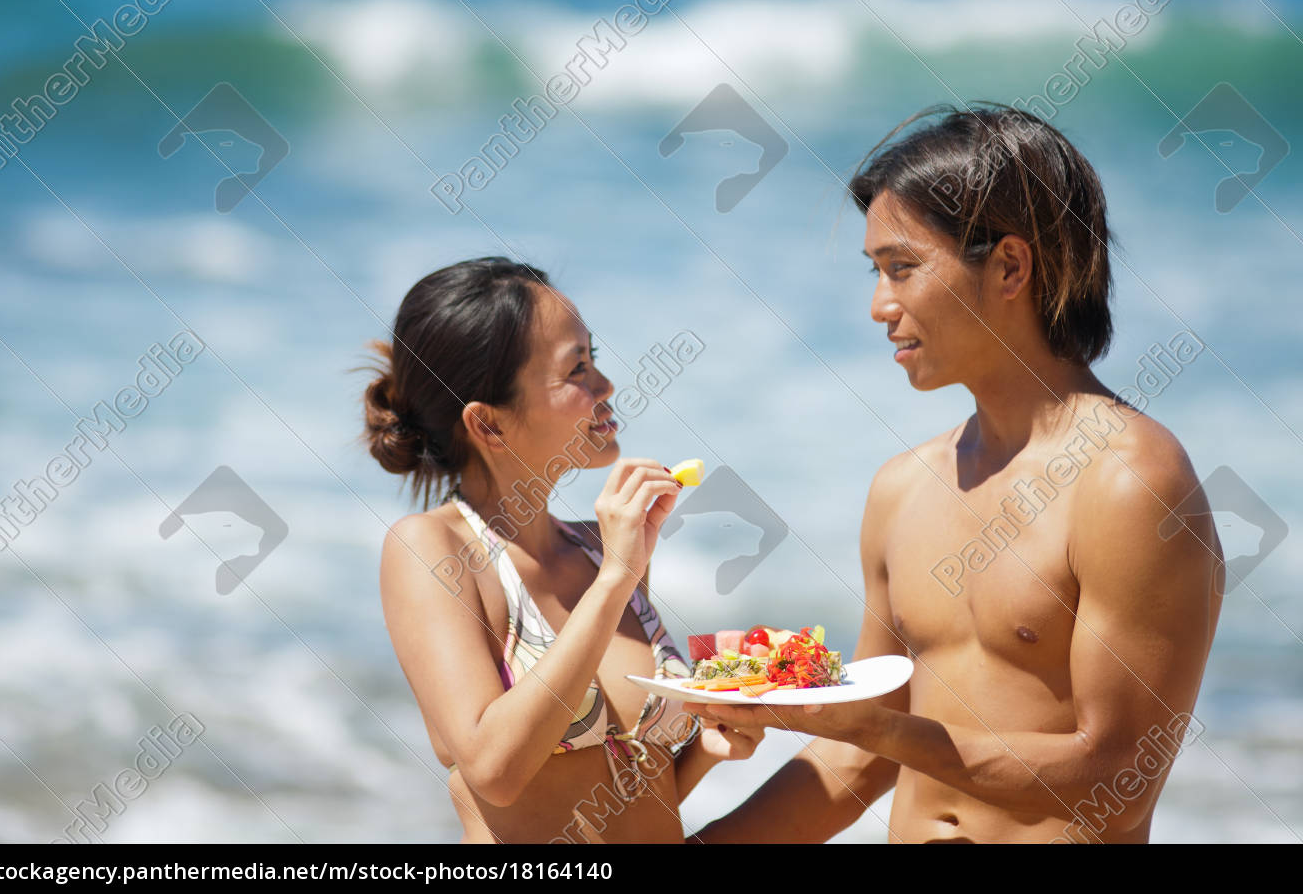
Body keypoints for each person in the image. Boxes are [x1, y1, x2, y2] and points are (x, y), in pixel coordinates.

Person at [689, 105, 1223, 844]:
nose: (880, 306)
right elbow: (860, 756)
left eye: (901, 268)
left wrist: (883, 727)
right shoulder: (902, 488)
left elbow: (1117, 779)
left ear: (1009, 266)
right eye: (876, 272)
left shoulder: (1130, 482)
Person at [366, 257, 763, 844]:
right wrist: (617, 580)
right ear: (490, 425)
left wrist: (706, 751)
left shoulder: (603, 548)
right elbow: (495, 772)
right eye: (577, 369)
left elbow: (621, 801)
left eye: (594, 358)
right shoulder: (430, 548)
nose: (605, 385)